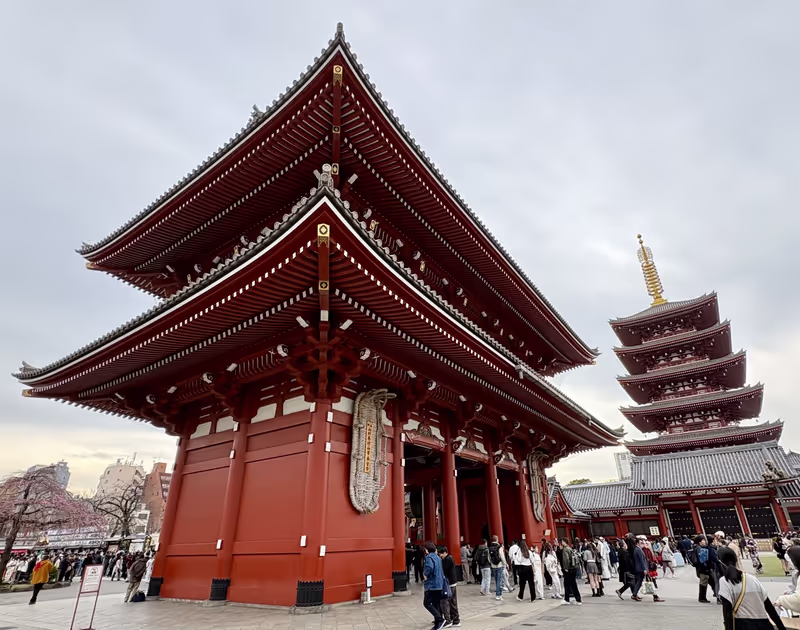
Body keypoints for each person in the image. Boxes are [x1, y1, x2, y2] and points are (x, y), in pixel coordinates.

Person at [717, 546, 785, 630]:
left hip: (743, 624)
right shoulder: (752, 579)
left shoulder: (724, 581)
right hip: (764, 624)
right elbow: (769, 607)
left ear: (720, 562)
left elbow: (727, 612)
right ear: (736, 560)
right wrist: (781, 627)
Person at [422, 541, 445, 630]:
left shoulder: (429, 557)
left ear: (427, 549)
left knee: (427, 603)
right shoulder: (438, 557)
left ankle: (439, 619)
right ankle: (437, 622)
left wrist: (425, 574)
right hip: (439, 583)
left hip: (432, 584)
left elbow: (429, 568)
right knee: (436, 603)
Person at [688, 534, 717, 604]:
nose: (704, 542)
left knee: (711, 581)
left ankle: (715, 593)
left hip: (702, 568)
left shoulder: (696, 547)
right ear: (699, 542)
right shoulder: (699, 549)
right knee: (704, 583)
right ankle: (702, 597)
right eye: (703, 540)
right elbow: (703, 559)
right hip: (703, 568)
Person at [438, 546, 460, 628]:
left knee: (451, 602)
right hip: (452, 582)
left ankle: (455, 620)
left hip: (450, 583)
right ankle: (455, 620)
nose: (440, 556)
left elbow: (444, 570)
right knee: (452, 602)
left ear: (445, 553)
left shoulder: (447, 560)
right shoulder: (449, 558)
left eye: (441, 554)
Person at [560, 539, 582, 605]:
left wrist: (565, 568)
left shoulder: (565, 550)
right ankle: (577, 599)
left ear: (564, 542)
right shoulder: (570, 548)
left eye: (562, 542)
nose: (561, 543)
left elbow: (566, 559)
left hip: (569, 569)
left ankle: (567, 599)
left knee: (567, 584)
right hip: (573, 568)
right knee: (573, 583)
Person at [488, 535, 508, 601]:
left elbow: (488, 558)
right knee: (499, 580)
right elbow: (502, 556)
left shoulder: (490, 547)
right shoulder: (499, 547)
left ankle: (498, 594)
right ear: (497, 539)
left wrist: (491, 563)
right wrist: (505, 564)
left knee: (497, 580)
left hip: (493, 565)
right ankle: (498, 595)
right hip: (499, 565)